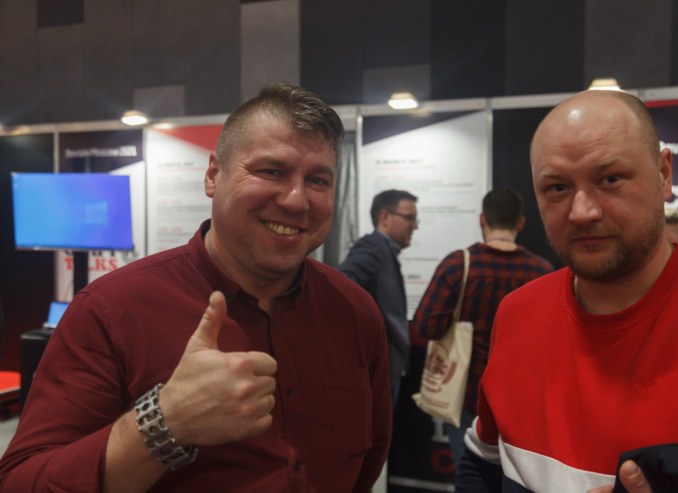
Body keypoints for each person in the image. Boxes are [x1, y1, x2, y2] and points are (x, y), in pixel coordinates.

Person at [0, 83, 392, 492]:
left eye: (318, 180)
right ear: (213, 175)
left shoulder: (355, 312)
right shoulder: (111, 311)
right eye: (271, 171)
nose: (297, 200)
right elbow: (21, 483)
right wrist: (164, 422)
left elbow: (366, 463)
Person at [456, 90, 678, 493]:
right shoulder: (517, 313)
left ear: (663, 174)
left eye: (610, 180)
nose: (582, 212)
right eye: (557, 187)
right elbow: (483, 460)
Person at [412, 187, 552, 470]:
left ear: (482, 220)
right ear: (520, 223)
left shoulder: (458, 265)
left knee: (469, 475)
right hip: (521, 398)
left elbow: (427, 327)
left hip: (468, 395)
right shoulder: (541, 271)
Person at [339, 190, 418, 405]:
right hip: (378, 369)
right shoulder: (373, 246)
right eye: (409, 218)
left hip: (388, 369)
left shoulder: (384, 249)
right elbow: (342, 285)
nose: (415, 226)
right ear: (384, 217)